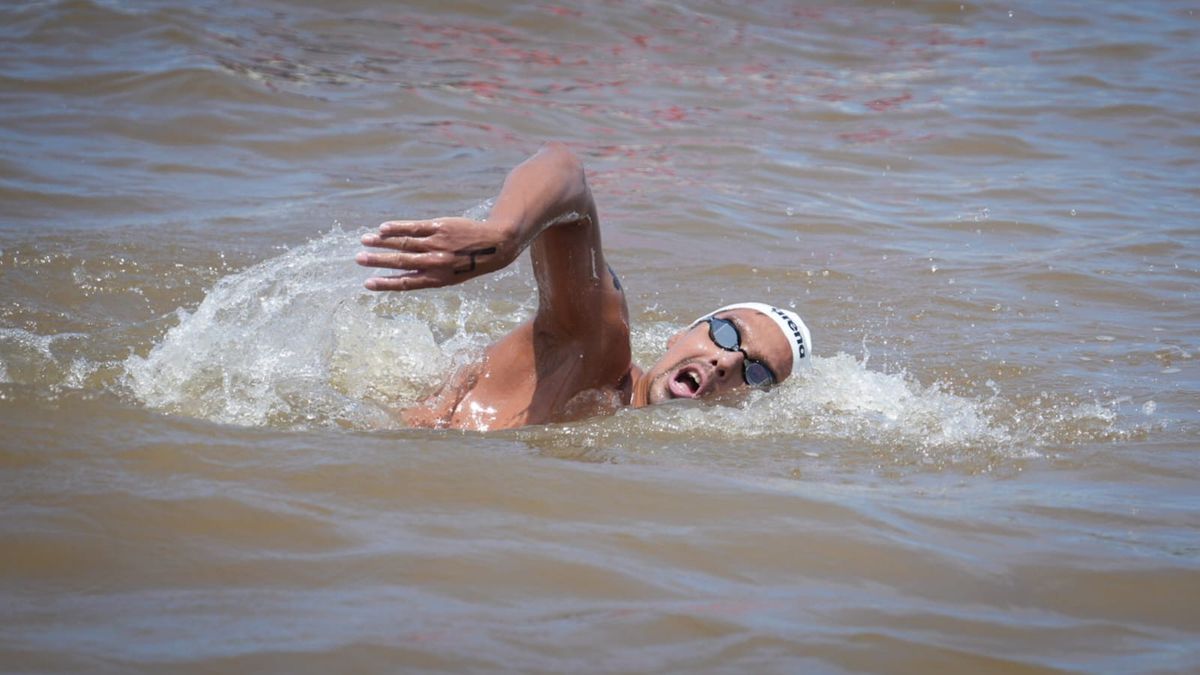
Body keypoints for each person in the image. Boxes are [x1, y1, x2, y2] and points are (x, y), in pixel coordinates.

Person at [356, 142, 811, 430]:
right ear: (682, 334)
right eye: (728, 333)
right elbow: (567, 172)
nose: (727, 360)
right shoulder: (598, 345)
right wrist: (506, 235)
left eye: (757, 373)